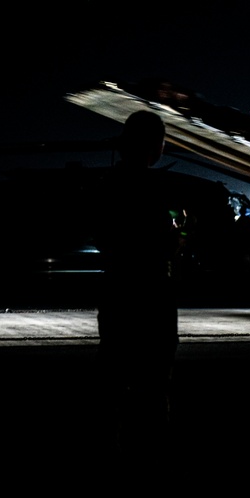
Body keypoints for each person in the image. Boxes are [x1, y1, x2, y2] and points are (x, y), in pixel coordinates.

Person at [93, 110, 185, 477]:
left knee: (112, 376)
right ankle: (151, 459)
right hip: (152, 293)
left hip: (117, 288)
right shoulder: (157, 189)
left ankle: (110, 451)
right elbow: (166, 244)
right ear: (155, 144)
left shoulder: (108, 184)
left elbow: (103, 239)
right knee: (155, 381)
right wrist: (176, 235)